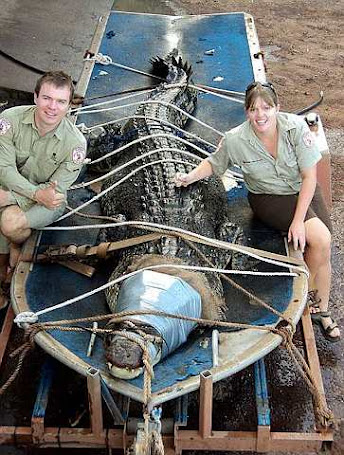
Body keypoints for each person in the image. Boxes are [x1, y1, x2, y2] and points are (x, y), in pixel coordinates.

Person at [175, 81, 340, 342]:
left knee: (324, 246)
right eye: (253, 109)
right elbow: (214, 164)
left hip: (302, 188)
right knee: (320, 238)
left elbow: (310, 177)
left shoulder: (296, 128)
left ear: (277, 108)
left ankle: (322, 309)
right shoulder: (236, 139)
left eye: (266, 107)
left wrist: (298, 221)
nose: (260, 115)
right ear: (246, 112)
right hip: (269, 197)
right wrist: (189, 177)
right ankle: (304, 303)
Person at [0, 70, 87, 309]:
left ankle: (15, 245)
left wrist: (10, 197)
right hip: (13, 186)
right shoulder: (10, 119)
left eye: (61, 101)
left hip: (47, 202)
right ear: (36, 97)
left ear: (69, 105)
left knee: (9, 223)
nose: (52, 107)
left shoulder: (75, 144)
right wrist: (27, 192)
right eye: (47, 98)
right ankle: (7, 255)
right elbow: (5, 169)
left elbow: (53, 193)